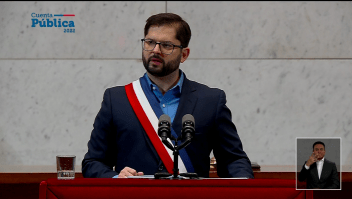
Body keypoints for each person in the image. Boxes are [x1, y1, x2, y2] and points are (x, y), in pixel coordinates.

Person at [82, 13, 254, 179]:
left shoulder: (210, 100)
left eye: (166, 45)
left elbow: (233, 160)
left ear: (184, 54)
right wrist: (116, 177)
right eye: (149, 42)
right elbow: (93, 162)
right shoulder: (117, 99)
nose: (155, 50)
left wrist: (245, 183)